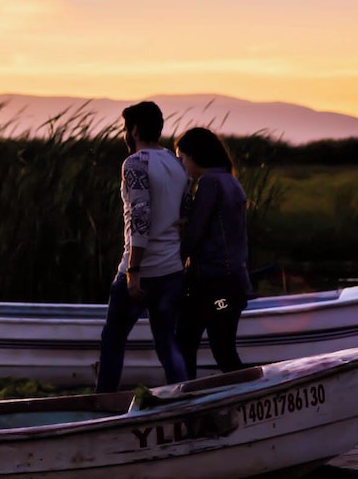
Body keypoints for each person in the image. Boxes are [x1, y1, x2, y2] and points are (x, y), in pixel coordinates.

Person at [95, 101, 190, 392]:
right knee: (165, 341)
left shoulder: (135, 164)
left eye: (126, 128)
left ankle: (104, 404)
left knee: (113, 340)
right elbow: (185, 217)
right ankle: (185, 398)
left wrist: (133, 269)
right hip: (171, 269)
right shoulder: (177, 164)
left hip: (141, 269)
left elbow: (139, 217)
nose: (125, 134)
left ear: (134, 129)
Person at [174, 127, 252, 380]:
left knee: (187, 340)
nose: (181, 165)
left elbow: (195, 234)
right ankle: (249, 390)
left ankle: (185, 400)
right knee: (222, 348)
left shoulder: (210, 182)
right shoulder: (230, 180)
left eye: (182, 158)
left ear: (194, 155)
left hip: (214, 290)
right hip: (233, 286)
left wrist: (174, 261)